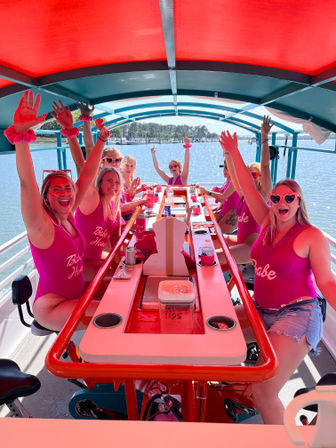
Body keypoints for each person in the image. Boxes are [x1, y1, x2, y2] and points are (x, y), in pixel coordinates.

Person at [219, 129, 336, 425]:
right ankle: (222, 396)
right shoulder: (267, 223)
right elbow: (246, 186)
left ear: (298, 202)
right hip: (261, 310)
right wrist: (233, 151)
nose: (282, 202)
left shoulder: (311, 236)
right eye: (276, 198)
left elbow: (327, 282)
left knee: (264, 388)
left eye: (289, 197)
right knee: (215, 331)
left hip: (297, 314)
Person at [5, 91, 110, 331]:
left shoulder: (69, 215)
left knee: (122, 293)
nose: (64, 193)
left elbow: (88, 172)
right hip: (52, 307)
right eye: (56, 190)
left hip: (77, 291)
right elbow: (26, 183)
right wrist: (21, 137)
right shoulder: (41, 226)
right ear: (45, 198)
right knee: (115, 314)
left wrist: (102, 139)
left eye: (68, 188)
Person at [217, 116, 274, 264]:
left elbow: (266, 166)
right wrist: (227, 152)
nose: (250, 177)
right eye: (248, 174)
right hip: (240, 241)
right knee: (210, 240)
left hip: (251, 247)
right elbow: (234, 174)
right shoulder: (243, 194)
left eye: (254, 174)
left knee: (212, 256)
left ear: (260, 177)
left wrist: (264, 137)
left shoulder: (263, 195)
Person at [199, 159, 240, 234]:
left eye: (227, 169)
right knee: (208, 229)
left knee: (219, 238)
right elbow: (227, 198)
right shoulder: (228, 180)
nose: (224, 171)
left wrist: (206, 192)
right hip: (225, 211)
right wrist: (221, 205)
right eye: (224, 168)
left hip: (231, 215)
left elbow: (223, 197)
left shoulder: (235, 181)